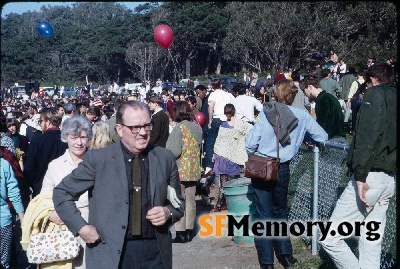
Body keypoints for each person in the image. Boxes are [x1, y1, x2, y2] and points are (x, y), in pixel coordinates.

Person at [53, 100, 184, 269]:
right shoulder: (98, 159)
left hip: (156, 253)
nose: (143, 132)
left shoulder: (165, 158)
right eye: (135, 127)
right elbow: (62, 193)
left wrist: (168, 212)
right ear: (119, 129)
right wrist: (81, 228)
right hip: (112, 254)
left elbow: (178, 204)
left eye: (147, 126)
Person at [320, 63, 396, 269]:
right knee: (371, 241)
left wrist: (360, 176)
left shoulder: (375, 94)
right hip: (389, 178)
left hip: (369, 176)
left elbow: (367, 137)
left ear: (371, 80)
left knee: (330, 238)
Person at [246, 79, 328, 269]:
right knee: (280, 211)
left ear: (276, 94)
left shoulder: (267, 113)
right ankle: (286, 255)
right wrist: (302, 137)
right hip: (282, 167)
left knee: (264, 214)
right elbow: (322, 137)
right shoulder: (302, 116)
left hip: (261, 166)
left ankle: (267, 262)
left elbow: (250, 143)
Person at [41, 115, 93, 269]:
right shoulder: (55, 165)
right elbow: (44, 197)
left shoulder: (97, 161)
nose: (79, 142)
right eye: (74, 137)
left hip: (93, 225)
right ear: (66, 138)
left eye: (83, 137)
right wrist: (51, 213)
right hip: (64, 228)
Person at [166, 101, 202, 243]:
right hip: (193, 168)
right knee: (191, 201)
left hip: (180, 168)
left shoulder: (179, 128)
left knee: (179, 201)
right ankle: (189, 231)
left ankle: (180, 233)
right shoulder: (197, 127)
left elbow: (174, 151)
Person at [213, 104, 252, 212]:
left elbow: (249, 130)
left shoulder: (240, 124)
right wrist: (215, 153)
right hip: (223, 156)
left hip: (234, 156)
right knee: (224, 181)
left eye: (228, 113)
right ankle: (220, 203)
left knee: (232, 181)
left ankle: (227, 202)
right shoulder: (224, 125)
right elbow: (219, 140)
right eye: (226, 114)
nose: (228, 115)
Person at [24, 109, 68, 197]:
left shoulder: (37, 141)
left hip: (41, 189)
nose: (40, 125)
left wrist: (33, 184)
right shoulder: (68, 140)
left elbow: (29, 168)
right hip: (64, 188)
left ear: (47, 122)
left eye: (41, 121)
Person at [300, 75, 346, 143]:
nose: (305, 94)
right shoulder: (329, 97)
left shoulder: (322, 100)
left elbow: (322, 126)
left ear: (310, 87)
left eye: (304, 91)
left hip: (332, 141)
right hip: (337, 138)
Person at [204, 79, 235, 176]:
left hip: (217, 119)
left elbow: (211, 106)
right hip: (226, 119)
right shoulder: (228, 94)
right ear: (221, 85)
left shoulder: (213, 95)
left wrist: (209, 120)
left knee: (210, 143)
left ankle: (209, 166)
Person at [1, 149, 25, 269]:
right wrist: (22, 218)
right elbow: (14, 192)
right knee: (4, 261)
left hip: (3, 221)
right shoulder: (4, 164)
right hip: (3, 222)